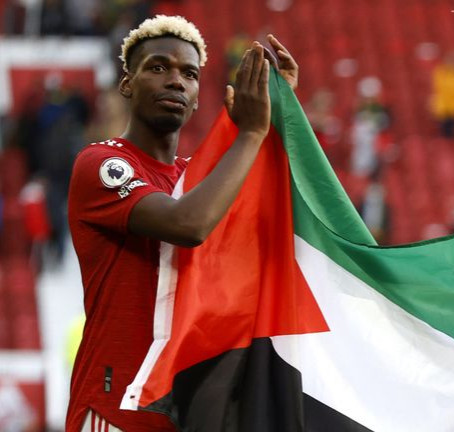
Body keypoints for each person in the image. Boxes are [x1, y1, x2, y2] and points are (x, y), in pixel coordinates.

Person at [65, 15, 299, 431]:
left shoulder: (196, 179)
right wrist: (250, 134)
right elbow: (188, 224)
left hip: (183, 413)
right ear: (127, 85)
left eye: (189, 74)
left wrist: (279, 111)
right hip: (117, 410)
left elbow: (268, 210)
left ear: (196, 99)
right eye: (158, 67)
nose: (176, 81)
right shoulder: (101, 163)